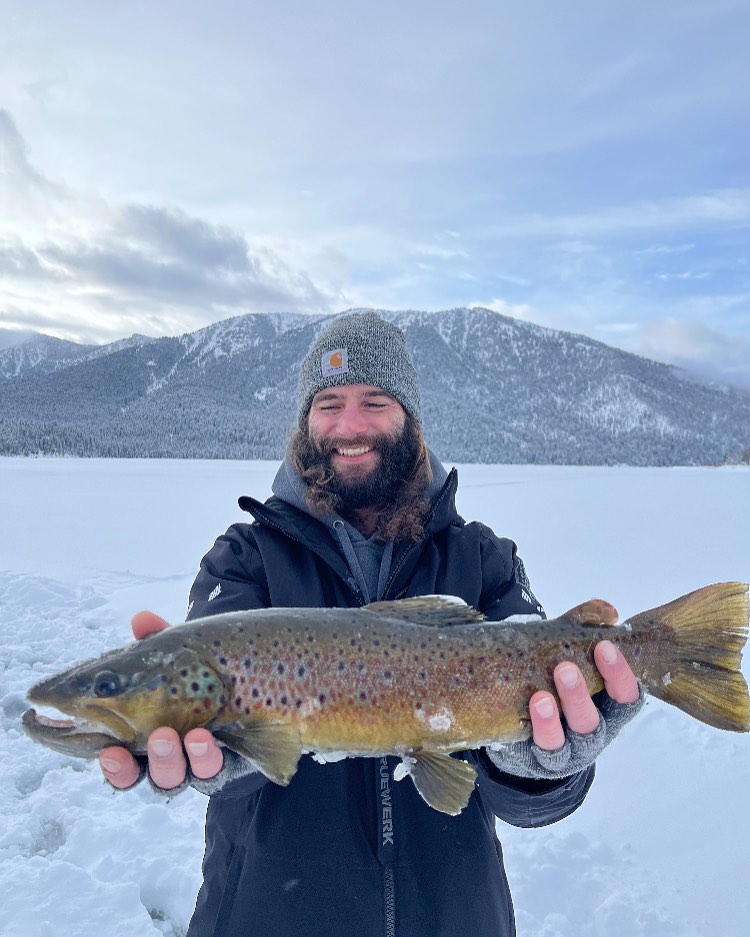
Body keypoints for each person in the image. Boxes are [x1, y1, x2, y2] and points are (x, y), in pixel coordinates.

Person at [99, 312, 642, 937]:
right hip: (267, 915)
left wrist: (545, 769)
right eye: (328, 403)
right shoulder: (245, 559)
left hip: (455, 917)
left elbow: (524, 785)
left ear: (409, 417)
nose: (348, 426)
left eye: (374, 401)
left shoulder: (482, 559)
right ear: (305, 422)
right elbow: (209, 710)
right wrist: (218, 752)